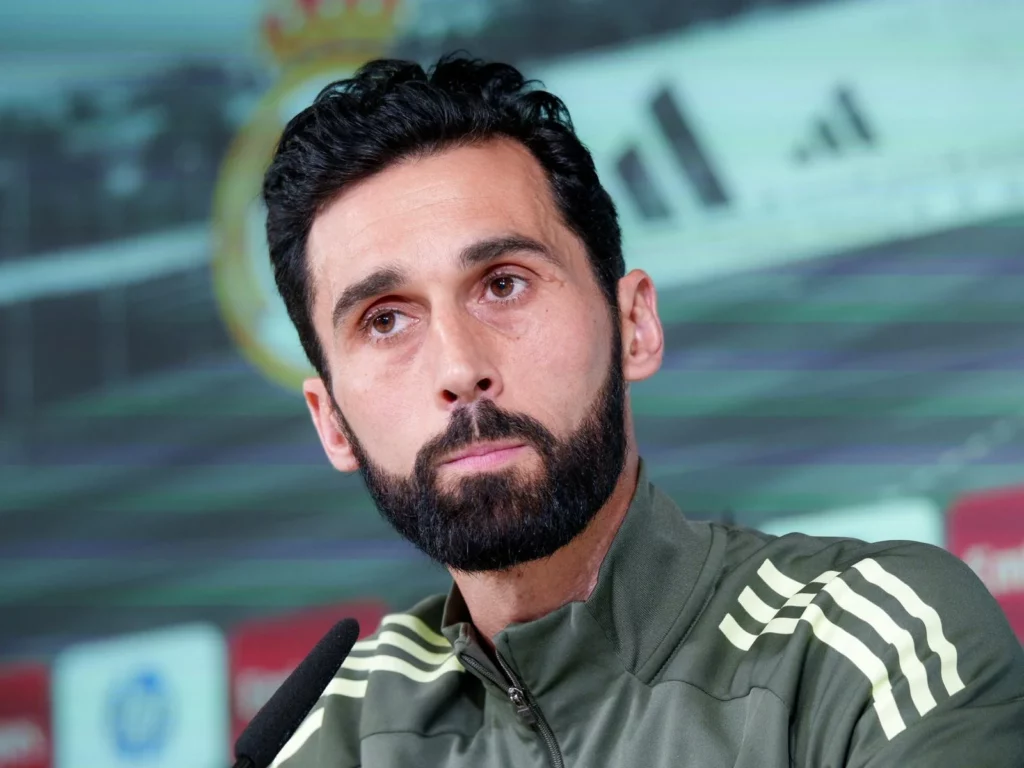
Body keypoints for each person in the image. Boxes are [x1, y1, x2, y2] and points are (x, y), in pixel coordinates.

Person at [259, 54, 1024, 768]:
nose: (460, 369)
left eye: (503, 284)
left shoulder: (864, 643)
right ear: (331, 421)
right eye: (386, 320)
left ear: (635, 325)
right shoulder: (339, 739)